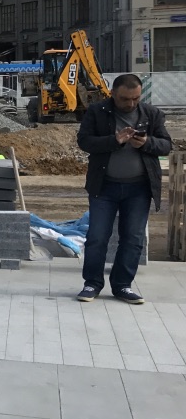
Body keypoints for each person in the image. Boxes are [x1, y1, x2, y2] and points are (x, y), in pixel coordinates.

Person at [76, 74, 171, 304]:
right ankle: (92, 284)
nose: (130, 104)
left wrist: (147, 143)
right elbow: (84, 141)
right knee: (97, 236)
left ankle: (122, 285)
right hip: (104, 187)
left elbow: (166, 145)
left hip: (139, 189)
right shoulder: (98, 112)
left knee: (133, 238)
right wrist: (114, 140)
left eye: (135, 98)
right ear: (113, 94)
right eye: (125, 99)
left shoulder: (151, 114)